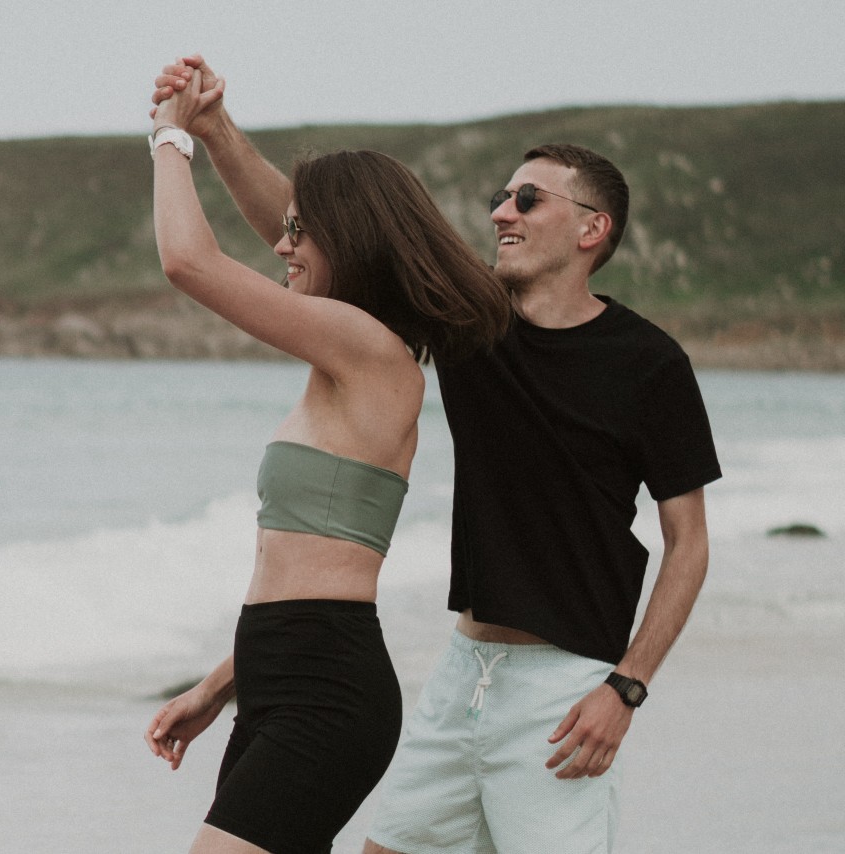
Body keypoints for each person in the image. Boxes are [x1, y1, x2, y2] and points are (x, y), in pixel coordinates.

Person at [150, 56, 721, 854]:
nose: (501, 213)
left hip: (565, 685)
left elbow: (688, 543)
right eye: (499, 197)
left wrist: (625, 688)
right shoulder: (476, 328)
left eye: (528, 198)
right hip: (465, 673)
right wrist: (216, 133)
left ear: (593, 229)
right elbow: (319, 241)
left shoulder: (650, 364)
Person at [143, 70, 513, 854]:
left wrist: (170, 135)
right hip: (279, 677)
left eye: (299, 234)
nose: (281, 245)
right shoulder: (352, 348)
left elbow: (188, 261)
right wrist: (218, 686)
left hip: (327, 689)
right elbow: (294, 573)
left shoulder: (372, 354)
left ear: (347, 242)